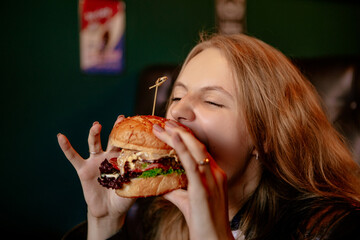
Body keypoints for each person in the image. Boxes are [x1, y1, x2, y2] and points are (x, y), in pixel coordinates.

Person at [58, 34, 360, 240]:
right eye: (176, 97)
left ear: (265, 135)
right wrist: (104, 222)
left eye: (213, 101)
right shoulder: (152, 216)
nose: (178, 113)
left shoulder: (334, 229)